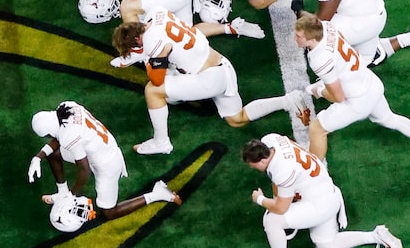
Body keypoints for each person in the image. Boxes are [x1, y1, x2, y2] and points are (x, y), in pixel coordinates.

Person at [111, 8, 298, 155]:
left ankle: (161, 142)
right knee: (236, 119)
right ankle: (289, 100)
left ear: (138, 38)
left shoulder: (152, 42)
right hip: (222, 67)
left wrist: (148, 59)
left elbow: (156, 79)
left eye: (136, 47)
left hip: (208, 79)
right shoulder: (159, 13)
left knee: (153, 90)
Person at [241, 134, 402, 248]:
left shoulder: (282, 169)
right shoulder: (272, 139)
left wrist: (260, 199)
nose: (251, 167)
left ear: (262, 161)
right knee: (327, 245)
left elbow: (281, 208)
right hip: (326, 193)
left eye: (252, 164)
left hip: (319, 206)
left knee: (272, 219)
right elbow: (278, 177)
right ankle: (375, 236)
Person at [29, 102, 180, 224]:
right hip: (100, 149)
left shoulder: (68, 136)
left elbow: (85, 171)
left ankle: (156, 194)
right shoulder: (67, 107)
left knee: (109, 212)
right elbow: (60, 136)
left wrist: (71, 195)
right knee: (53, 154)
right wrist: (39, 157)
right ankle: (61, 193)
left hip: (107, 164)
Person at [294, 13, 410, 157]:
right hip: (371, 83)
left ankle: (313, 177)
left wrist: (320, 90)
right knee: (390, 119)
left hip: (357, 101)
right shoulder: (327, 27)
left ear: (312, 39)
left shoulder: (320, 59)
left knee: (317, 129)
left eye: (299, 36)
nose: (295, 38)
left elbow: (338, 97)